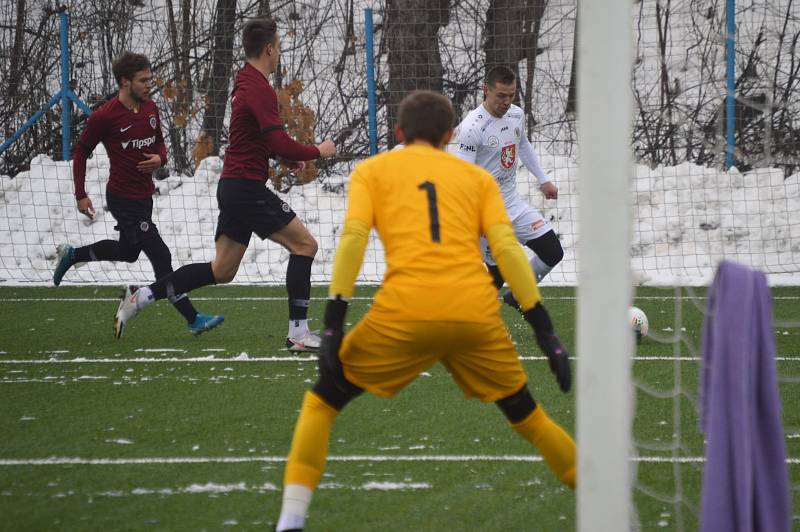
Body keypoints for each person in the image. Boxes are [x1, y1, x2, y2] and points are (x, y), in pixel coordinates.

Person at [274, 91, 575, 532]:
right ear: (451, 135)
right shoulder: (478, 181)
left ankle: (290, 520)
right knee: (530, 418)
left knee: (322, 404)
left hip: (405, 312)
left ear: (398, 133)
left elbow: (354, 239)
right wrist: (545, 330)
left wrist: (334, 321)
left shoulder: (373, 172)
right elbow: (508, 251)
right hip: (474, 313)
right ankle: (609, 507)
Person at [113, 18, 337, 349]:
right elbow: (277, 141)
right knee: (305, 246)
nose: (280, 56)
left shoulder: (245, 81)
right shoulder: (258, 87)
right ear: (269, 49)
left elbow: (258, 140)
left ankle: (142, 296)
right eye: (279, 49)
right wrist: (318, 150)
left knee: (222, 270)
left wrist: (288, 158)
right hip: (245, 188)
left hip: (234, 185)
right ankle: (299, 333)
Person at [52, 52, 223, 339]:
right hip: (121, 197)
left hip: (144, 196)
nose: (149, 85)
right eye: (143, 80)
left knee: (128, 253)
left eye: (150, 79)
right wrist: (80, 194)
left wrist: (160, 160)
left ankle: (74, 255)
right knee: (161, 254)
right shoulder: (105, 116)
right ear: (124, 81)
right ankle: (193, 318)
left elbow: (160, 146)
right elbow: (81, 152)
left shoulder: (151, 108)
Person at [453, 66, 564, 309]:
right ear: (486, 91)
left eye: (511, 95)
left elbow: (522, 144)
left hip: (513, 204)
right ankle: (457, 320)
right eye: (501, 95)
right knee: (495, 277)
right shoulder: (472, 128)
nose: (506, 101)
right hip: (486, 213)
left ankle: (517, 294)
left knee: (553, 252)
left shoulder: (516, 115)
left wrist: (543, 179)